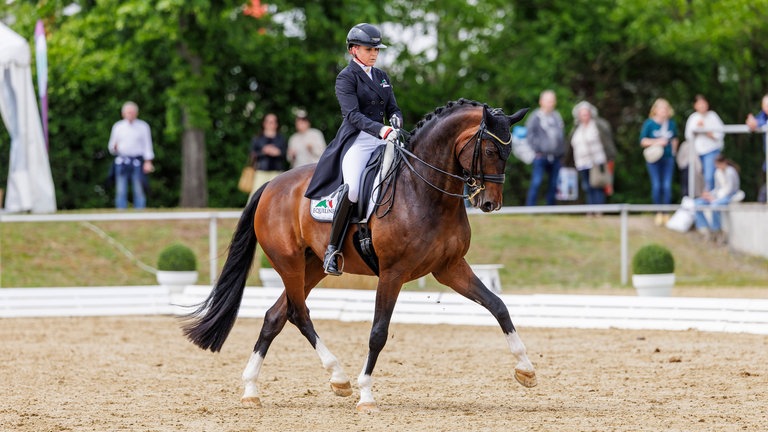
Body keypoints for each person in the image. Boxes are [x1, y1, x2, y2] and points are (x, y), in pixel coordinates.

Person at [304, 23, 403, 276]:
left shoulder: (381, 77)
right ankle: (332, 250)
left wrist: (395, 120)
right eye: (369, 49)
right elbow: (353, 115)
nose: (374, 54)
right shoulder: (346, 78)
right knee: (354, 190)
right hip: (358, 140)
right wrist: (381, 130)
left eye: (376, 49)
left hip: (384, 137)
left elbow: (392, 107)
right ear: (353, 50)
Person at [563, 101, 617, 209]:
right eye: (582, 114)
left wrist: (609, 157)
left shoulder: (598, 126)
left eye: (586, 113)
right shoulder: (577, 128)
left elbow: (606, 142)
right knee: (587, 187)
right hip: (582, 162)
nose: (584, 116)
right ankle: (590, 209)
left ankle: (598, 209)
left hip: (597, 161)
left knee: (597, 185)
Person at [107, 101, 154, 209]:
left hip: (137, 161)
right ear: (123, 114)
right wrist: (114, 148)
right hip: (122, 161)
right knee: (121, 189)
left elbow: (147, 145)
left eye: (132, 112)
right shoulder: (118, 127)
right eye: (128, 112)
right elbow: (111, 146)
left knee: (139, 188)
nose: (130, 115)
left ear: (136, 113)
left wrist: (148, 162)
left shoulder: (143, 126)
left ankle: (140, 210)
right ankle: (121, 210)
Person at [640, 98, 679, 226]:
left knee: (666, 186)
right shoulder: (649, 124)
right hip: (654, 159)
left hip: (668, 158)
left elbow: (674, 139)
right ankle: (658, 212)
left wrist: (674, 152)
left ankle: (666, 212)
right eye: (661, 108)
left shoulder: (671, 124)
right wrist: (657, 142)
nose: (664, 111)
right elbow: (643, 141)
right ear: (655, 110)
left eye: (665, 109)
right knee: (656, 185)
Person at [525, 90, 565, 206]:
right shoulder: (535, 117)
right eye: (548, 101)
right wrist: (537, 149)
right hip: (540, 156)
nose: (550, 104)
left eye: (552, 101)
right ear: (541, 102)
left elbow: (561, 136)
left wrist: (561, 152)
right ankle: (530, 208)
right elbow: (530, 136)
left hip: (556, 157)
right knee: (536, 182)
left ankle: (551, 209)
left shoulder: (557, 117)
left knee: (554, 184)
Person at [693, 154, 740, 244]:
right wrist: (709, 195)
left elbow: (729, 190)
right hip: (717, 196)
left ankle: (717, 231)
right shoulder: (717, 172)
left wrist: (715, 198)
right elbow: (717, 188)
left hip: (729, 196)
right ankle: (706, 229)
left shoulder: (731, 172)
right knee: (697, 204)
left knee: (714, 206)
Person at [684, 94, 724, 193]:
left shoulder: (713, 116)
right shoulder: (693, 118)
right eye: (699, 104)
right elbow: (688, 136)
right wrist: (697, 129)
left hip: (712, 150)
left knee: (709, 177)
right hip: (697, 152)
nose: (702, 106)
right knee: (699, 177)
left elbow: (720, 133)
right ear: (695, 106)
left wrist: (706, 131)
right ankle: (703, 199)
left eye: (704, 103)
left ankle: (710, 199)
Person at [248, 113, 287, 200]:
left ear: (276, 124)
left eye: (272, 122)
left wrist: (278, 153)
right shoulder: (257, 138)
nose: (270, 124)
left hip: (277, 172)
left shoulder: (281, 138)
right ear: (264, 123)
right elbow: (252, 154)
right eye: (268, 122)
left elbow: (285, 155)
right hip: (261, 171)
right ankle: (250, 213)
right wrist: (264, 152)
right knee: (255, 195)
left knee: (278, 195)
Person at [745, 93, 768, 203]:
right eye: (765, 106)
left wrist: (757, 123)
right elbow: (757, 122)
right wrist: (752, 122)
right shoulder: (763, 115)